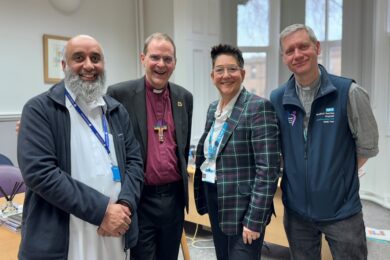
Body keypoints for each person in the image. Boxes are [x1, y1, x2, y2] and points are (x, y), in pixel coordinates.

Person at [17, 35, 144, 260]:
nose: (88, 65)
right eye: (79, 58)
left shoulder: (116, 111)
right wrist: (103, 211)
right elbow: (40, 173)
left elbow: (135, 162)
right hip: (64, 240)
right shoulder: (39, 110)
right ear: (64, 65)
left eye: (95, 58)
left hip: (114, 232)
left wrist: (124, 205)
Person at [270, 24, 379, 260]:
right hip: (297, 212)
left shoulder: (348, 92)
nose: (297, 55)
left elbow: (368, 145)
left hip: (342, 212)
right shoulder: (278, 99)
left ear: (317, 47)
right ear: (284, 58)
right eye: (290, 51)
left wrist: (337, 177)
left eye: (303, 46)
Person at [107, 32, 193, 260]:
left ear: (175, 62)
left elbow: (182, 149)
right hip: (140, 198)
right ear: (143, 58)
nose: (161, 64)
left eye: (168, 59)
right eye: (155, 57)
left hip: (174, 199)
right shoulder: (119, 94)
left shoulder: (185, 97)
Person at [193, 44, 281, 260]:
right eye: (219, 70)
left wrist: (254, 219)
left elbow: (268, 170)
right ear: (212, 75)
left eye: (232, 69)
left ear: (242, 73)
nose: (226, 75)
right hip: (215, 196)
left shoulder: (258, 107)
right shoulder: (214, 108)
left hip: (244, 207)